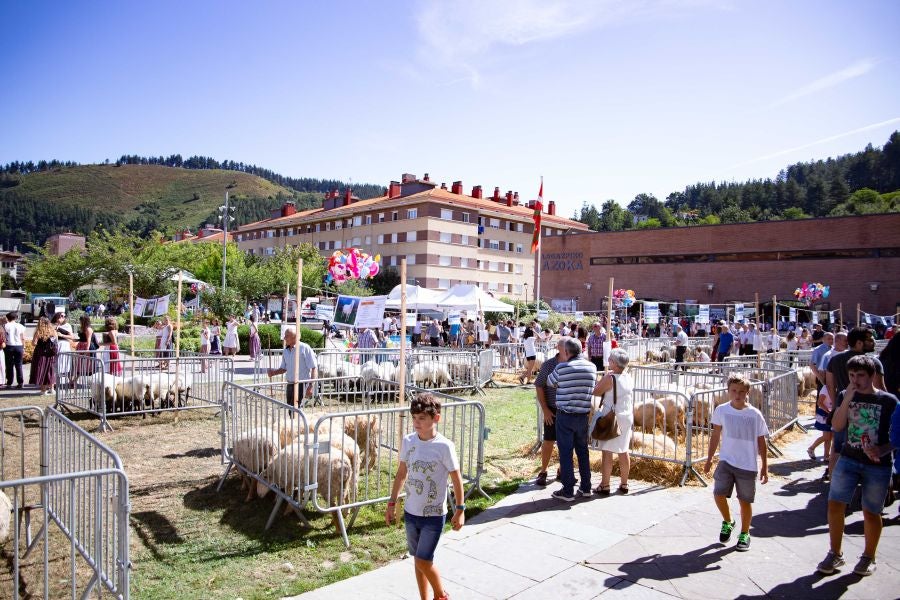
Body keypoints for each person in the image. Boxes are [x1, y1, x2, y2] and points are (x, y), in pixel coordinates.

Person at [817, 355, 898, 577]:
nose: (855, 380)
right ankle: (835, 552)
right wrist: (846, 400)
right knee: (835, 504)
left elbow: (898, 435)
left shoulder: (889, 401)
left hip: (877, 464)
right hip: (849, 457)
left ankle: (868, 556)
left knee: (871, 512)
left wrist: (883, 450)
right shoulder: (845, 395)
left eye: (860, 376)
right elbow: (837, 425)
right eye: (852, 376)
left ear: (872, 376)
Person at [385, 393, 464, 600]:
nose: (416, 423)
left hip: (434, 515)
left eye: (422, 418)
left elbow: (456, 478)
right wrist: (392, 503)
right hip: (411, 514)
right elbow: (402, 473)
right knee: (419, 561)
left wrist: (460, 510)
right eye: (414, 418)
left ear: (435, 418)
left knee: (422, 560)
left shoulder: (444, 446)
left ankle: (441, 595)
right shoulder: (408, 441)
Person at [704, 374, 769, 552]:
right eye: (734, 391)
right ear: (728, 391)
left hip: (747, 463)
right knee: (718, 494)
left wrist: (765, 465)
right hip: (727, 460)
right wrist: (710, 458)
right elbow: (716, 435)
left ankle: (745, 533)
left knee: (744, 501)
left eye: (741, 391)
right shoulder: (721, 410)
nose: (737, 394)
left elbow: (761, 440)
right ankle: (728, 520)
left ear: (748, 392)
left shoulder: (755, 414)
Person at [546, 337, 598, 501]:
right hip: (583, 415)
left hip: (565, 415)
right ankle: (586, 487)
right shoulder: (592, 367)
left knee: (566, 452)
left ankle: (568, 490)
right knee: (583, 451)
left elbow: (550, 382)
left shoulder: (562, 367)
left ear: (567, 352)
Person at [591, 349, 634, 494]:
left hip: (612, 417)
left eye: (610, 360)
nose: (608, 361)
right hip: (626, 416)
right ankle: (624, 483)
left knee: (607, 451)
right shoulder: (628, 377)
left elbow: (596, 391)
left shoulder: (610, 378)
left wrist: (604, 378)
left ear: (614, 363)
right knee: (623, 450)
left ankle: (605, 484)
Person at [533, 338, 565, 486]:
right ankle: (544, 471)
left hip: (568, 409)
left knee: (566, 442)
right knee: (549, 441)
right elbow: (539, 385)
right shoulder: (548, 365)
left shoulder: (573, 363)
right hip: (552, 409)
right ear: (560, 348)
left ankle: (562, 470)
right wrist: (545, 409)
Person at [266, 328, 317, 408]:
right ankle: (295, 420)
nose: (284, 338)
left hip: (301, 384)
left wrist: (311, 386)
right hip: (290, 384)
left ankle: (299, 420)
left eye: (287, 336)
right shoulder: (285, 351)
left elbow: (314, 367)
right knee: (290, 408)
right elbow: (283, 368)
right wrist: (273, 372)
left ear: (294, 337)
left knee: (296, 408)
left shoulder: (304, 348)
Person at [30, 317, 58, 394]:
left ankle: (43, 390)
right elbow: (56, 342)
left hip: (41, 354)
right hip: (50, 354)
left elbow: (34, 343)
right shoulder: (53, 331)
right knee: (50, 370)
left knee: (42, 371)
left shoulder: (39, 332)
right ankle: (52, 389)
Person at [3, 312, 26, 388]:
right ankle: (20, 382)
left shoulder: (5, 326)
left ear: (8, 318)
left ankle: (9, 382)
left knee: (9, 365)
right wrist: (24, 347)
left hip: (9, 346)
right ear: (15, 318)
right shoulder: (20, 326)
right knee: (18, 365)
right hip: (19, 346)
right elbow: (22, 338)